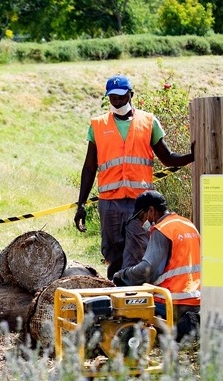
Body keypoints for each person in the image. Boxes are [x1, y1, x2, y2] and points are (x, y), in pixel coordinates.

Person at [74, 74, 194, 279]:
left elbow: (167, 158)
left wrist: (192, 156)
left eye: (121, 97)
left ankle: (135, 298)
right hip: (109, 203)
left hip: (140, 205)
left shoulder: (148, 122)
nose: (117, 101)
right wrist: (81, 204)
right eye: (113, 98)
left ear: (131, 94)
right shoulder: (98, 125)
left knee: (138, 252)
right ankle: (115, 295)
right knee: (113, 254)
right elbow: (89, 167)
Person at [112, 190, 200, 340]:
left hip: (170, 303)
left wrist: (123, 275)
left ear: (151, 210)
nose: (142, 223)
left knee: (121, 306)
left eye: (142, 217)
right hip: (196, 300)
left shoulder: (162, 230)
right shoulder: (187, 224)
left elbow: (147, 270)